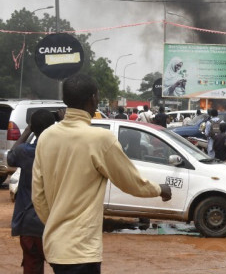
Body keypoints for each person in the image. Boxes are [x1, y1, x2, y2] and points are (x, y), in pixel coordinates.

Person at [32, 74, 171, 274]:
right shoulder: (100, 139)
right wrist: (159, 189)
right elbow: (130, 181)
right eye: (97, 96)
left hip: (55, 247)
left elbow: (38, 194)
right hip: (81, 251)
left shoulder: (46, 137)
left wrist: (55, 224)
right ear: (93, 99)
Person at [8, 109, 56, 274]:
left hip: (28, 222)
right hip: (54, 223)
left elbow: (10, 157)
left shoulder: (25, 152)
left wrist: (28, 129)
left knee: (32, 266)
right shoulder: (59, 152)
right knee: (66, 267)